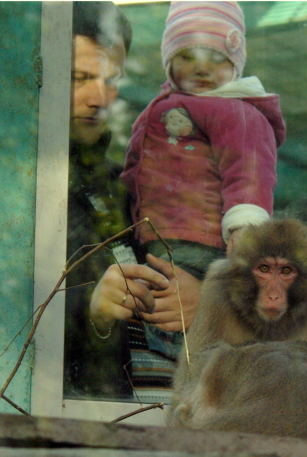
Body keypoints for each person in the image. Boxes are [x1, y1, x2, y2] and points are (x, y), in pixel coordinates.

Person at [64, 1, 202, 403]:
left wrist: (199, 294)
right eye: (79, 78)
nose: (100, 98)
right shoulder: (18, 189)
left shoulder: (123, 187)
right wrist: (89, 309)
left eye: (111, 80)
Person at [121, 1, 286, 280]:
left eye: (216, 58)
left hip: (200, 244)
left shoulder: (236, 112)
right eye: (187, 56)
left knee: (171, 310)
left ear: (235, 63)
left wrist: (245, 227)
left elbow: (249, 171)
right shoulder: (159, 108)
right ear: (169, 61)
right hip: (155, 239)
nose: (202, 69)